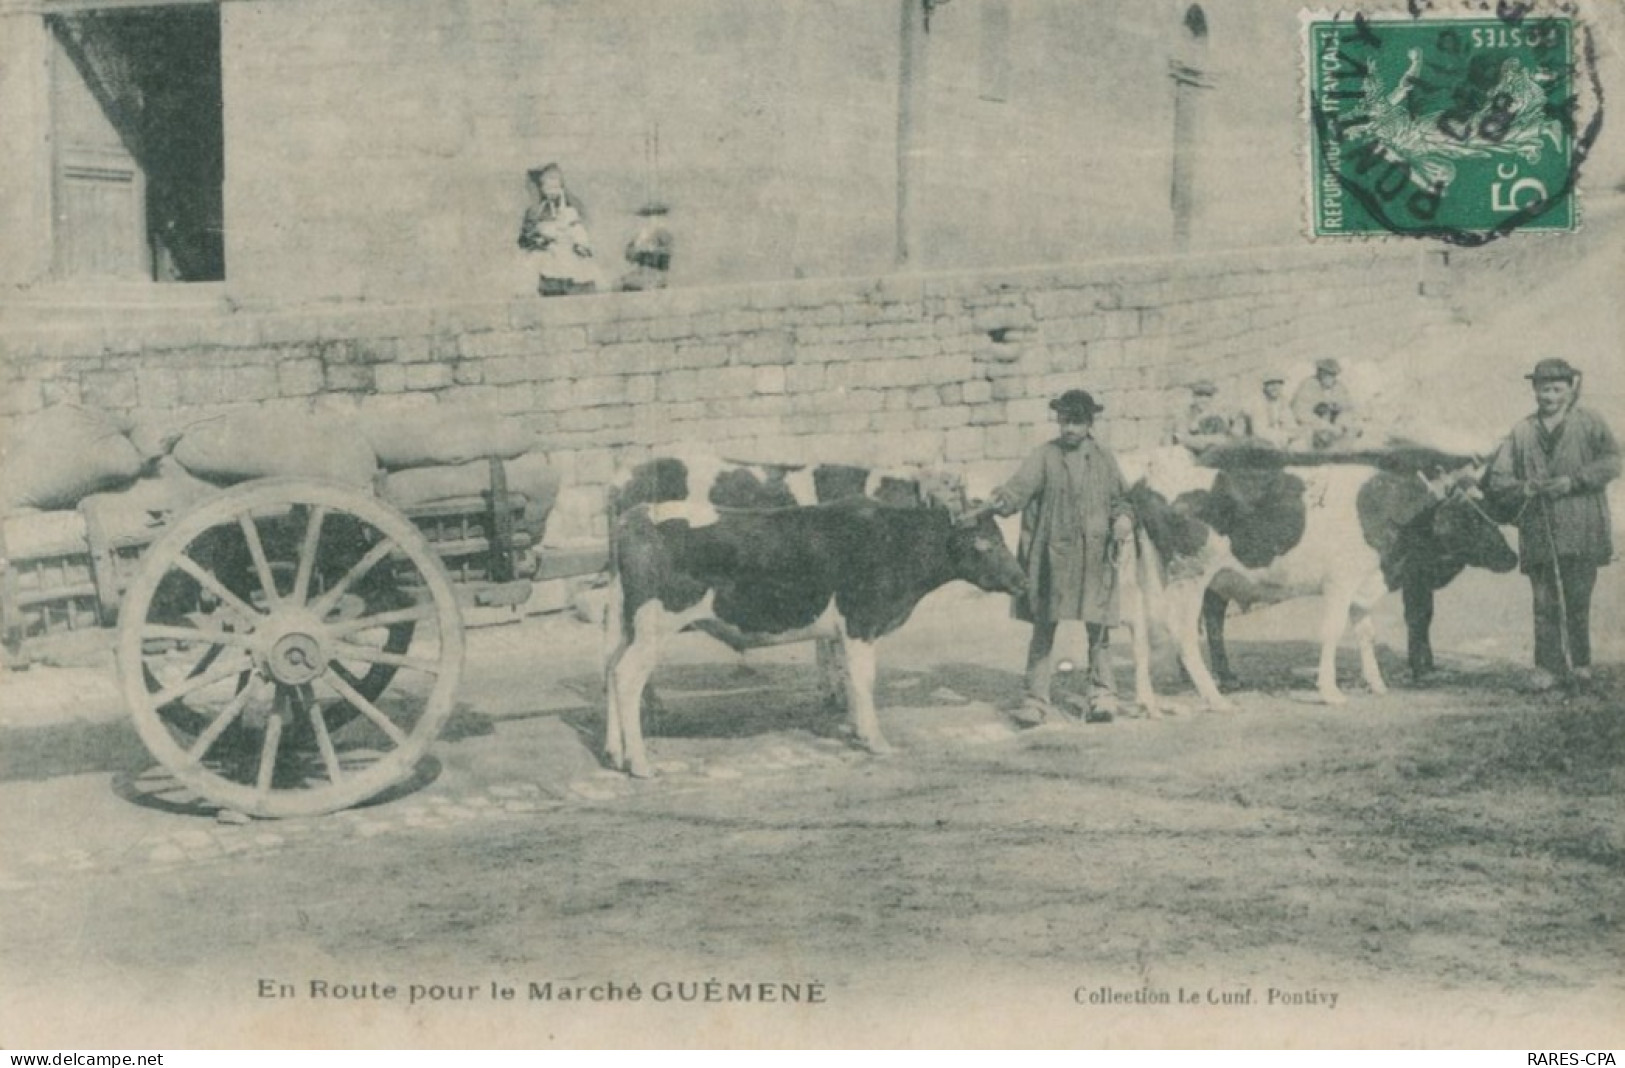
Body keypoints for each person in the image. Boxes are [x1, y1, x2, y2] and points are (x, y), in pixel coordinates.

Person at [984, 389, 1135, 724]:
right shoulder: (1044, 456)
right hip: (1053, 556)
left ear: (1089, 423)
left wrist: (1123, 519)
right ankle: (1035, 699)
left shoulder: (1104, 458)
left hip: (1094, 556)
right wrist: (1002, 500)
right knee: (1043, 627)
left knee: (1099, 629)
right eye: (1064, 421)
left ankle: (1102, 694)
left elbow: (1123, 500)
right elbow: (1018, 489)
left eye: (1076, 422)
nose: (1069, 428)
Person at [1485, 358, 1620, 691]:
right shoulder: (1522, 431)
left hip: (1581, 527)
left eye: (1556, 389)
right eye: (1543, 389)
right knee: (1544, 602)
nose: (1548, 396)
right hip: (1539, 530)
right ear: (1534, 390)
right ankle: (1548, 668)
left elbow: (1613, 461)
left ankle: (1581, 666)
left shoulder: (1589, 423)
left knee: (1577, 599)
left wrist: (1574, 482)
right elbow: (1499, 479)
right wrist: (1525, 487)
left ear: (1569, 389)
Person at [518, 163, 600, 297]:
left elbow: (577, 230)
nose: (552, 191)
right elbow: (527, 236)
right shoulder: (537, 211)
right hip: (547, 258)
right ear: (541, 188)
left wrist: (581, 244)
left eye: (556, 187)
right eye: (548, 187)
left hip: (568, 256)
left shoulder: (569, 211)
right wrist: (539, 239)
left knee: (576, 276)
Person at [1290, 358, 1362, 448]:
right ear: (1319, 373)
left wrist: (1342, 423)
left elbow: (1348, 409)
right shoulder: (1308, 386)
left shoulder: (1339, 387)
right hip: (1313, 427)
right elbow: (1301, 413)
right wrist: (1325, 426)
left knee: (1350, 433)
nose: (1329, 377)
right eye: (1326, 374)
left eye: (1332, 374)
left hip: (1335, 428)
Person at [1169, 380, 1238, 452]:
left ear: (1212, 398)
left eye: (1208, 395)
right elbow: (1181, 438)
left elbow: (1226, 438)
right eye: (1200, 395)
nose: (1203, 399)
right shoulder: (1185, 414)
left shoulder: (1217, 414)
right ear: (1194, 397)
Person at [1241, 373, 1294, 447]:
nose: (1275, 387)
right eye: (1271, 384)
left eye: (1279, 383)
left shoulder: (1282, 401)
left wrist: (1293, 434)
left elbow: (1290, 424)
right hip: (1247, 441)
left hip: (1270, 437)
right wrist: (1284, 435)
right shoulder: (1257, 401)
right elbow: (1259, 431)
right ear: (1264, 386)